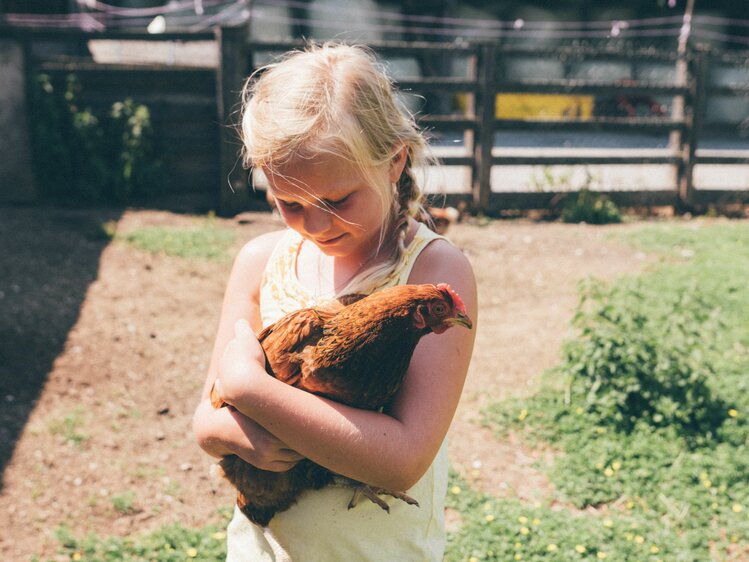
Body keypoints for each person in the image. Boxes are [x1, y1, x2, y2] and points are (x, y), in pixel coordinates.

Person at [192, 43, 477, 561]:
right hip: (266, 549)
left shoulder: (432, 273)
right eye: (289, 203)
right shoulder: (260, 262)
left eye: (336, 201)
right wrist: (242, 436)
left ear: (394, 161)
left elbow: (403, 461)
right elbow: (205, 423)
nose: (314, 224)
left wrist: (251, 389)